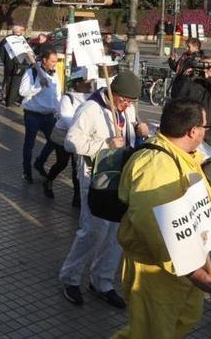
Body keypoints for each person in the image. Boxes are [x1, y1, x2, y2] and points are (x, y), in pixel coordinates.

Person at [115, 99, 211, 338]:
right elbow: (153, 225)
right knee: (152, 332)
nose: (206, 132)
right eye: (205, 127)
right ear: (193, 131)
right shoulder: (156, 165)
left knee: (181, 320)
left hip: (185, 265)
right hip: (156, 270)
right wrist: (194, 272)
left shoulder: (184, 154)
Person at [59, 70, 148, 308]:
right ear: (114, 92)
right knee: (93, 230)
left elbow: (130, 144)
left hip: (120, 177)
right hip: (94, 177)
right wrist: (104, 144)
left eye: (131, 102)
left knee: (116, 232)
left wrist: (141, 135)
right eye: (124, 100)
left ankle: (102, 282)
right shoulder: (90, 109)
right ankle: (70, 278)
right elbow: (71, 141)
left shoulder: (127, 110)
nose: (127, 105)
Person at [170, 55, 211, 202]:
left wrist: (209, 78)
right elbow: (177, 96)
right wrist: (187, 76)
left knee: (210, 162)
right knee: (188, 159)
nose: (205, 68)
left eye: (209, 66)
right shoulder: (191, 81)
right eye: (203, 65)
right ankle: (188, 191)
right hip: (191, 130)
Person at [43, 69, 93, 205]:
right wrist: (82, 127)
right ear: (77, 84)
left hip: (81, 136)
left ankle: (77, 196)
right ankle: (48, 180)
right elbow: (66, 118)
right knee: (62, 163)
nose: (89, 84)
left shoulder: (91, 97)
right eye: (85, 81)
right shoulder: (68, 97)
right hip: (64, 134)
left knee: (77, 166)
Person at [19, 48, 61, 184]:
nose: (55, 63)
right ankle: (26, 171)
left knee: (54, 141)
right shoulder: (31, 72)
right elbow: (22, 91)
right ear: (44, 60)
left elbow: (57, 94)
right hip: (33, 115)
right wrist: (38, 87)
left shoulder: (54, 74)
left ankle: (39, 162)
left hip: (49, 116)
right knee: (29, 144)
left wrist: (58, 110)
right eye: (53, 61)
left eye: (56, 61)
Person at [0, 25, 26, 106]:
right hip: (18, 64)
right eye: (21, 31)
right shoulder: (21, 40)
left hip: (8, 64)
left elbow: (1, 51)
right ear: (19, 31)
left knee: (7, 80)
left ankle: (5, 97)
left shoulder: (6, 39)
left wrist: (5, 61)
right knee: (15, 82)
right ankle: (12, 99)